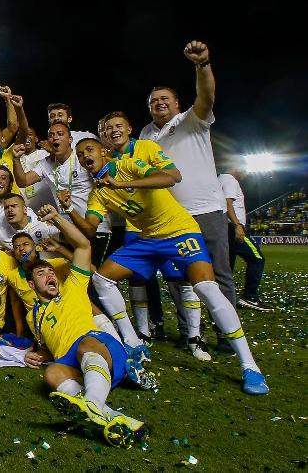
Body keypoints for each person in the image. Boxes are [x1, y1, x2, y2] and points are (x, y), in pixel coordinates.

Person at [75, 137, 268, 394]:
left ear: (103, 151)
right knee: (102, 279)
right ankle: (132, 341)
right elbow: (89, 228)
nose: (84, 155)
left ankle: (250, 366)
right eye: (80, 154)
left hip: (180, 231)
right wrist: (66, 209)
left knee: (207, 289)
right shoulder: (98, 193)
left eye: (89, 149)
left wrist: (123, 183)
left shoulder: (129, 166)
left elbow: (170, 178)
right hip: (148, 239)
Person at [21, 204, 147, 448]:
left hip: (99, 348)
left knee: (84, 346)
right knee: (51, 374)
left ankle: (90, 404)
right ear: (31, 284)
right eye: (41, 274)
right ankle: (113, 418)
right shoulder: (33, 315)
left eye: (50, 272)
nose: (49, 275)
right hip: (71, 360)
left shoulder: (73, 287)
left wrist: (56, 218)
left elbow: (83, 246)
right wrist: (34, 355)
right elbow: (48, 347)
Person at [98, 111, 209, 358]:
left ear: (129, 128)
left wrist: (129, 183)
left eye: (118, 126)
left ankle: (193, 336)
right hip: (135, 227)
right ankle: (142, 332)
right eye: (108, 128)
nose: (113, 131)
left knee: (180, 279)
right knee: (137, 280)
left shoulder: (146, 147)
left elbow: (172, 176)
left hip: (168, 226)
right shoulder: (106, 159)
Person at [138, 41, 239, 310]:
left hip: (205, 209)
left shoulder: (191, 120)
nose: (159, 103)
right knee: (177, 277)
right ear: (148, 107)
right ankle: (191, 335)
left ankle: (226, 336)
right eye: (153, 101)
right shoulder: (145, 134)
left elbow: (207, 96)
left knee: (218, 275)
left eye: (164, 99)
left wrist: (202, 65)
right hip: (170, 215)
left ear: (177, 103)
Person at [13, 121, 111, 263]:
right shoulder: (46, 163)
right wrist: (16, 159)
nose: (55, 138)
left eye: (60, 134)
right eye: (51, 135)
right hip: (68, 229)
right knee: (76, 273)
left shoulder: (82, 158)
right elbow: (23, 181)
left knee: (96, 277)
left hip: (95, 227)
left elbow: (107, 171)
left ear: (70, 139)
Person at [219, 170, 270, 311]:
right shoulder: (230, 180)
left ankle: (223, 299)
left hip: (224, 227)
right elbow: (228, 203)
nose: (246, 173)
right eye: (244, 169)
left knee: (227, 266)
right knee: (257, 259)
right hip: (232, 227)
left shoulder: (221, 179)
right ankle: (250, 297)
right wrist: (237, 225)